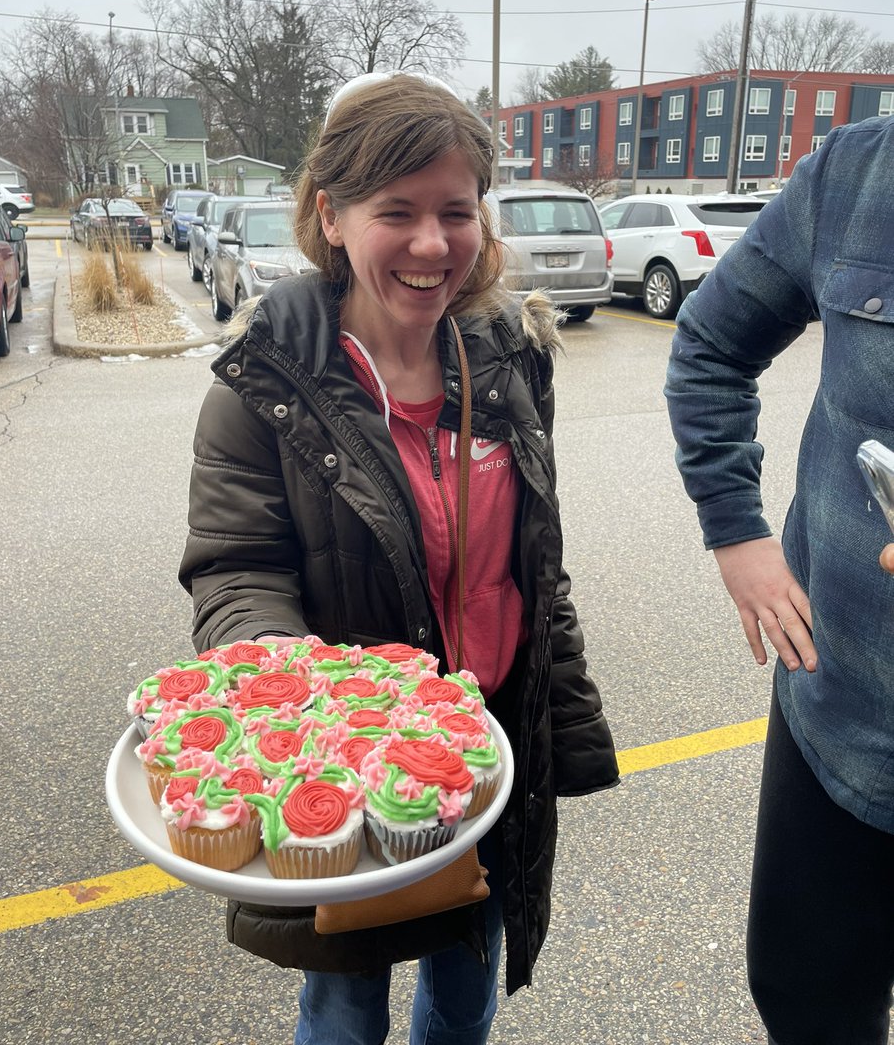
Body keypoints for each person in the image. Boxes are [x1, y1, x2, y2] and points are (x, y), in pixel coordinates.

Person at [179, 71, 618, 1045]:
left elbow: (536, 566)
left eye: (456, 212)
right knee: (343, 1006)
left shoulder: (508, 358)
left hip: (489, 746)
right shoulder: (266, 388)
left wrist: (568, 728)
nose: (433, 244)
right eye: (399, 212)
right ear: (331, 216)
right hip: (343, 762)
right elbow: (236, 569)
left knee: (466, 995)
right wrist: (293, 695)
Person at [665, 116, 894, 1044]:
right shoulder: (856, 174)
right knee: (806, 1002)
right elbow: (711, 346)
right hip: (838, 715)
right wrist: (739, 537)